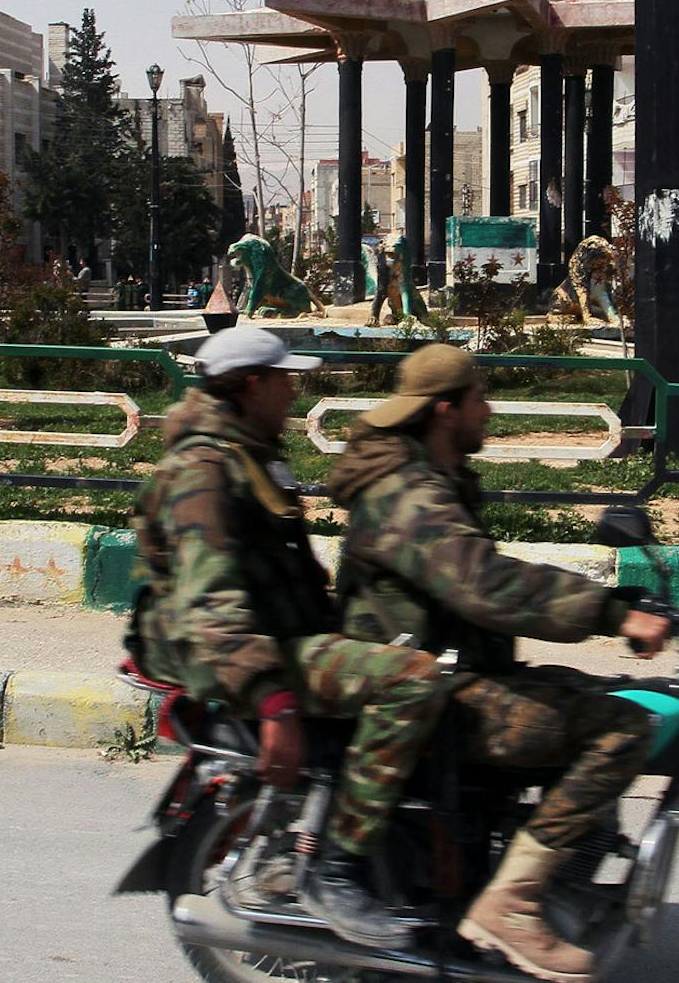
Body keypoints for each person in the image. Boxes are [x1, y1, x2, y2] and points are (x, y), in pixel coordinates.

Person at [327, 344, 669, 983]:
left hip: (453, 672)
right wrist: (611, 614)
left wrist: (619, 605)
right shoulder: (403, 492)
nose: (490, 409)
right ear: (445, 409)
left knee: (599, 696)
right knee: (621, 729)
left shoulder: (434, 477)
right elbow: (483, 583)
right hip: (428, 690)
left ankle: (551, 876)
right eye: (480, 398)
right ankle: (508, 904)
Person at [130, 325, 447, 950]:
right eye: (284, 379)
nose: (292, 391)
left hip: (277, 634)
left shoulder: (248, 450)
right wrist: (273, 698)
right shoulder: (204, 470)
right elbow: (211, 603)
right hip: (237, 651)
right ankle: (336, 868)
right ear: (252, 386)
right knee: (410, 684)